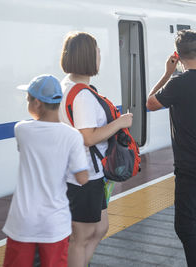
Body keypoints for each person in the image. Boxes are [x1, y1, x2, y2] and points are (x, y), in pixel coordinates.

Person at [146, 30, 196, 267]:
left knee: (185, 224)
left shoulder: (177, 83)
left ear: (178, 56)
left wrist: (167, 73)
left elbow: (150, 103)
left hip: (190, 167)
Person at [59, 32, 133, 267]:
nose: (100, 56)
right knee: (80, 238)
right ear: (89, 57)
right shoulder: (82, 96)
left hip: (82, 172)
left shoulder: (66, 85)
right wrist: (120, 123)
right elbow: (87, 137)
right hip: (84, 174)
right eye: (98, 51)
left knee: (100, 227)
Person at [2, 74, 89, 267]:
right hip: (54, 222)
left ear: (38, 103)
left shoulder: (22, 130)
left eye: (28, 99)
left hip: (22, 221)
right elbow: (82, 178)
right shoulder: (72, 136)